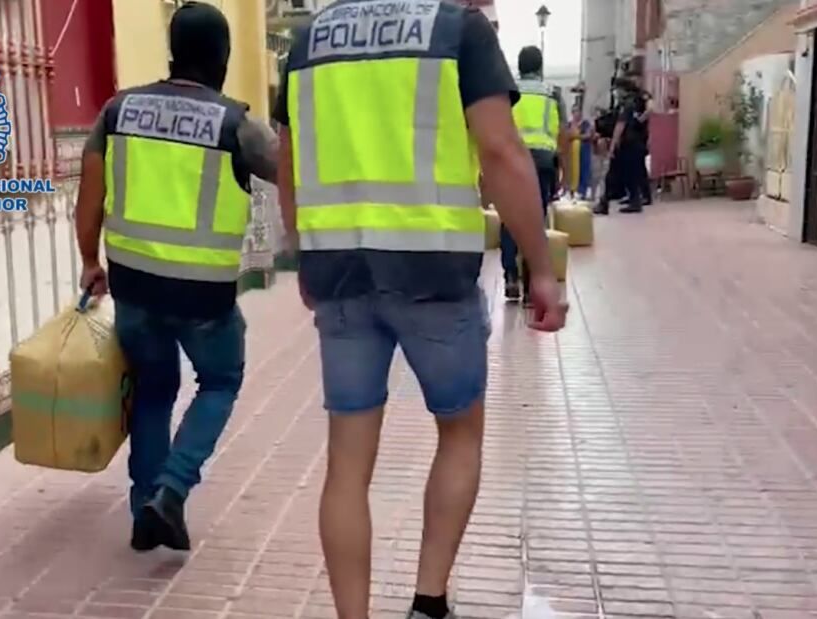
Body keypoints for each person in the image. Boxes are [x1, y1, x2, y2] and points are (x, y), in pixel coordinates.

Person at [274, 2, 569, 618]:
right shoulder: (457, 29)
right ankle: (427, 603)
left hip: (341, 269)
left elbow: (290, 162)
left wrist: (303, 254)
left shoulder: (309, 41)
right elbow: (501, 152)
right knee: (459, 433)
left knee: (347, 464)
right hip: (433, 268)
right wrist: (539, 266)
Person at [74, 1, 278, 552]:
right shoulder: (236, 123)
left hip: (134, 284)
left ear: (172, 50)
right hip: (203, 297)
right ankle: (170, 491)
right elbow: (291, 174)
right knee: (220, 380)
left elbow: (89, 193)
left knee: (153, 390)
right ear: (222, 56)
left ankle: (145, 510)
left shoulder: (117, 111)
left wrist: (91, 262)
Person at [500, 45, 569, 302]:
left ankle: (510, 276)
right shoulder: (553, 94)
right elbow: (563, 133)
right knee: (535, 220)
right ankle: (531, 284)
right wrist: (565, 171)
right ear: (540, 68)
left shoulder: (509, 92)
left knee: (509, 218)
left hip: (512, 162)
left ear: (519, 67)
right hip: (542, 163)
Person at [594, 80, 645, 215]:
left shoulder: (626, 104)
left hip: (626, 144)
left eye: (616, 89)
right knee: (630, 175)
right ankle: (634, 201)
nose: (615, 92)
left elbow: (620, 125)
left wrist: (612, 146)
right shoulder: (636, 102)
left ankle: (604, 203)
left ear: (622, 89)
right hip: (635, 143)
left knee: (612, 175)